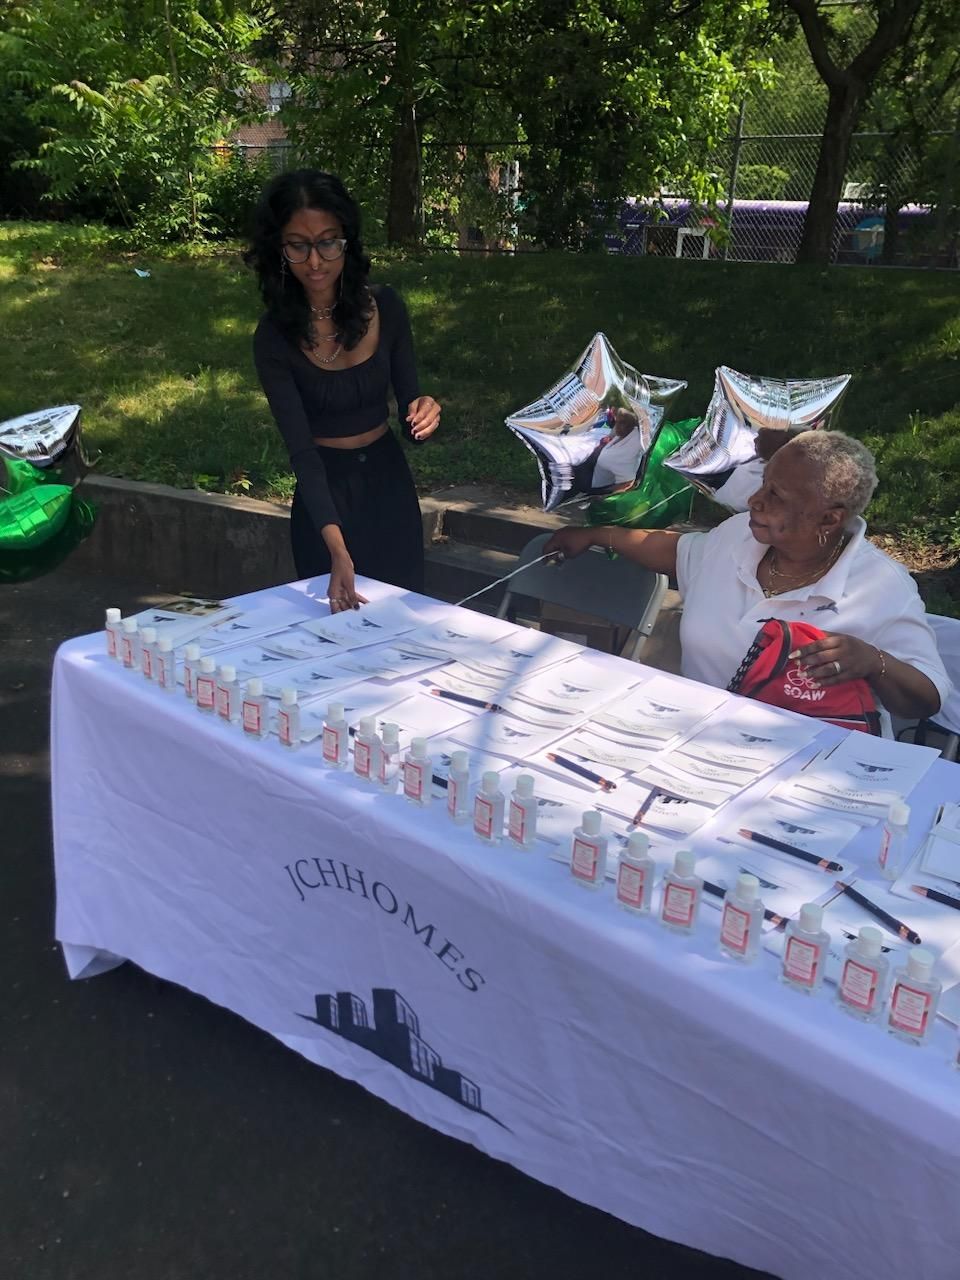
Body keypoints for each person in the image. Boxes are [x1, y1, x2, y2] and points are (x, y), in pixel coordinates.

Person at [544, 430, 950, 722]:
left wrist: (874, 662)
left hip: (809, 763)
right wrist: (598, 534)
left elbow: (927, 698)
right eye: (763, 483)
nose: (756, 500)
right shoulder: (739, 536)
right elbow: (677, 552)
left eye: (777, 495)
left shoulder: (881, 587)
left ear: (830, 519)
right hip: (696, 736)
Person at [246, 170, 441, 612]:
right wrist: (337, 549)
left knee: (404, 623)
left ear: (347, 241)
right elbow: (302, 453)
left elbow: (411, 411)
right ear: (278, 249)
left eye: (328, 242)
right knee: (332, 633)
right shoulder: (274, 336)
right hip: (324, 501)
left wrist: (425, 412)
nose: (315, 262)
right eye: (298, 245)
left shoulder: (386, 307)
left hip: (389, 487)